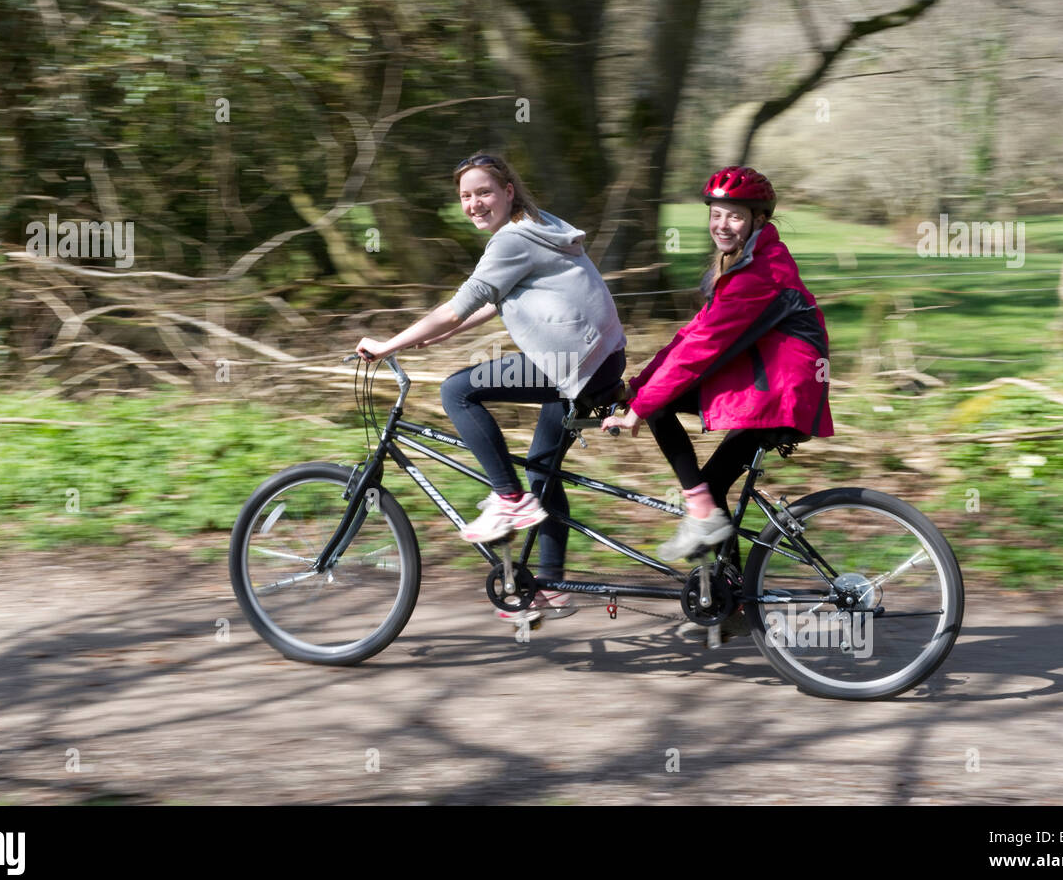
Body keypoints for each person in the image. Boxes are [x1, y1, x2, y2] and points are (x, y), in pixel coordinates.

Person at [356, 152, 626, 620]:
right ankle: (551, 587)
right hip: (600, 359)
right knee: (543, 470)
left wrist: (387, 345)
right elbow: (490, 298)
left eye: (483, 192)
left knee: (456, 391)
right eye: (465, 196)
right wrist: (440, 334)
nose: (474, 204)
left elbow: (460, 304)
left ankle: (507, 499)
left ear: (507, 192)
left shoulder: (512, 239)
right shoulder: (540, 223)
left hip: (572, 364)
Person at [602, 166, 833, 560]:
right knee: (709, 483)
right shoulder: (745, 259)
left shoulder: (759, 272)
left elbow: (701, 349)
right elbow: (692, 334)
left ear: (759, 219)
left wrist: (641, 406)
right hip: (769, 387)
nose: (722, 225)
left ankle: (703, 515)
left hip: (781, 393)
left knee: (666, 416)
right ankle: (731, 604)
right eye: (716, 214)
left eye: (735, 215)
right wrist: (639, 386)